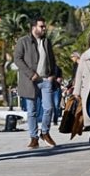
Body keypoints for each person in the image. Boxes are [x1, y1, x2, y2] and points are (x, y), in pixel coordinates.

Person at [13, 17, 59, 149]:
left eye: (44, 26)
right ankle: (34, 137)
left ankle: (45, 132)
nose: (44, 29)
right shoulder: (23, 41)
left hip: (46, 80)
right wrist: (30, 73)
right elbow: (17, 59)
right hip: (30, 81)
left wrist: (53, 75)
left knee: (49, 108)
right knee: (31, 111)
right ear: (34, 28)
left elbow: (52, 60)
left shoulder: (47, 42)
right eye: (41, 26)